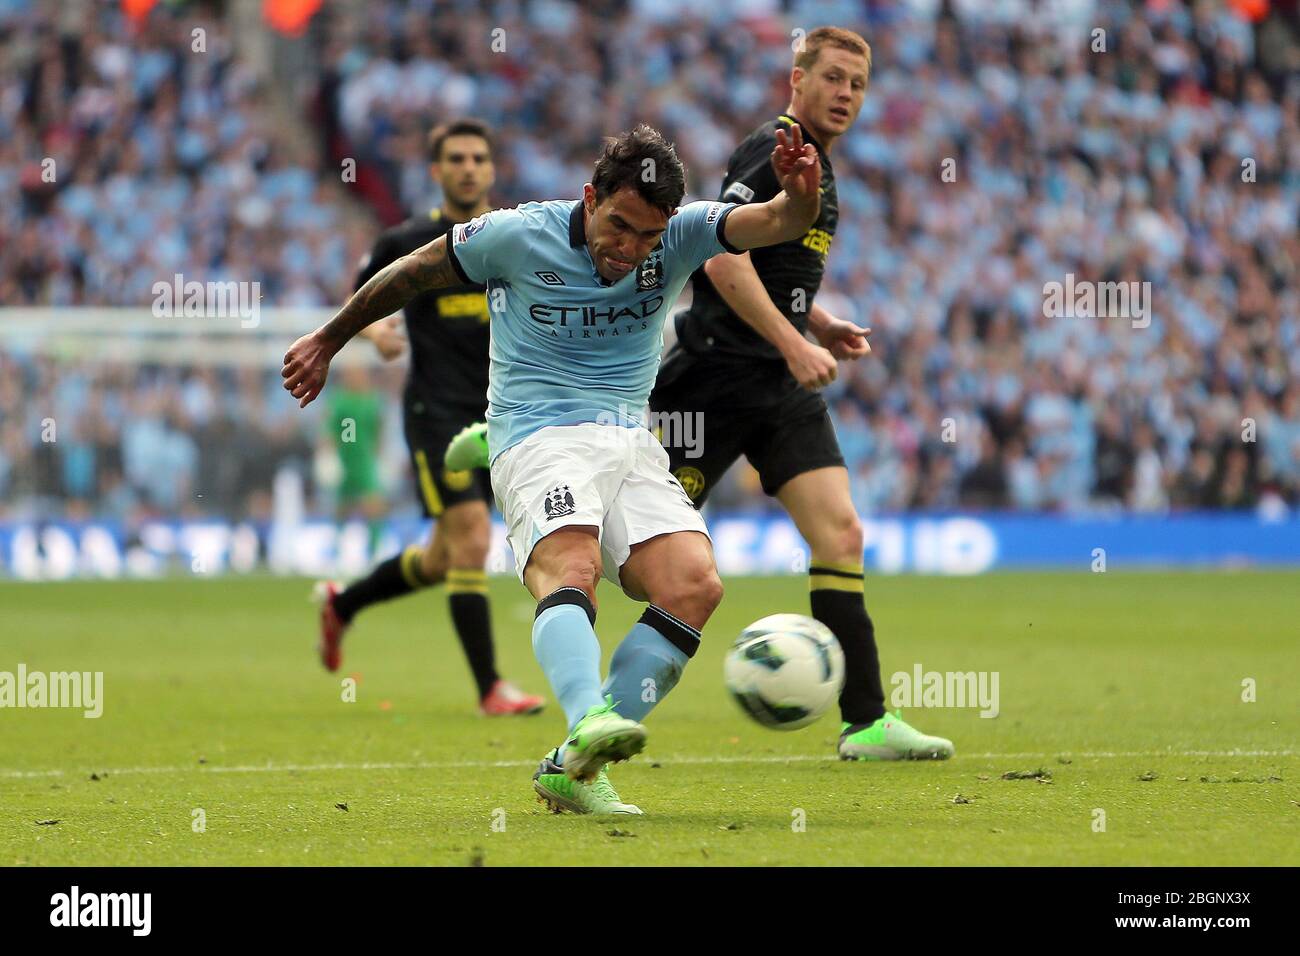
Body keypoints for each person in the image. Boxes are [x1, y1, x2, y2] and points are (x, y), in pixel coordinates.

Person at [282, 123, 822, 814]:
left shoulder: (683, 234)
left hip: (629, 440)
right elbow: (413, 270)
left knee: (694, 586)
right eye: (619, 226)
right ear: (590, 197)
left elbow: (777, 221)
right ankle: (588, 717)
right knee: (572, 569)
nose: (629, 250)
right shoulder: (515, 233)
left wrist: (801, 197)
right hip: (536, 435)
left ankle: (574, 767)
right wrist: (330, 338)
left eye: (646, 238)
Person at [651, 27, 952, 761]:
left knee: (841, 534)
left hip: (777, 384)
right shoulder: (773, 148)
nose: (846, 93)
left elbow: (769, 262)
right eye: (834, 78)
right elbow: (719, 257)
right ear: (798, 79)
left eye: (858, 83)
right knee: (642, 558)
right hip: (713, 379)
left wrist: (814, 320)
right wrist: (794, 341)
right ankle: (592, 709)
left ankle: (868, 722)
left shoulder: (820, 163)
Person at [314, 119, 544, 717]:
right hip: (435, 412)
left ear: (492, 170)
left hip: (503, 415)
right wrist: (376, 332)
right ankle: (491, 688)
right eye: (456, 159)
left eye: (478, 158)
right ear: (436, 171)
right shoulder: (406, 241)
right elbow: (359, 304)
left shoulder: (517, 237)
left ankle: (342, 605)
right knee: (472, 538)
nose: (468, 168)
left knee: (443, 558)